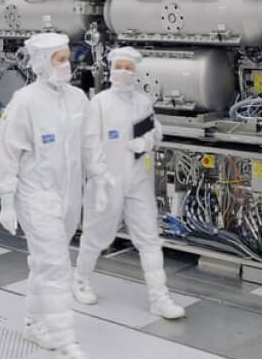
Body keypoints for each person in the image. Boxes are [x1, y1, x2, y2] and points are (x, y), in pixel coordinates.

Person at [0, 32, 110, 359]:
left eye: (68, 58)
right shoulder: (24, 101)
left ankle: (33, 321)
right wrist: (7, 200)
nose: (67, 65)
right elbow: (6, 152)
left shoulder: (77, 100)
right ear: (42, 63)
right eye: (59, 59)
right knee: (57, 267)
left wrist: (100, 180)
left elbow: (91, 144)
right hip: (35, 194)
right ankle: (65, 346)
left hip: (68, 195)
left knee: (44, 264)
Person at [73, 45, 185, 320]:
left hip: (137, 180)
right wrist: (98, 177)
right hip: (106, 181)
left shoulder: (142, 102)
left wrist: (146, 141)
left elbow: (155, 131)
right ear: (111, 71)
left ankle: (160, 298)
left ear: (136, 72)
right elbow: (89, 143)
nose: (123, 72)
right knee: (96, 236)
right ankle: (79, 280)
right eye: (119, 67)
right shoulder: (99, 103)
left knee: (149, 238)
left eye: (128, 68)